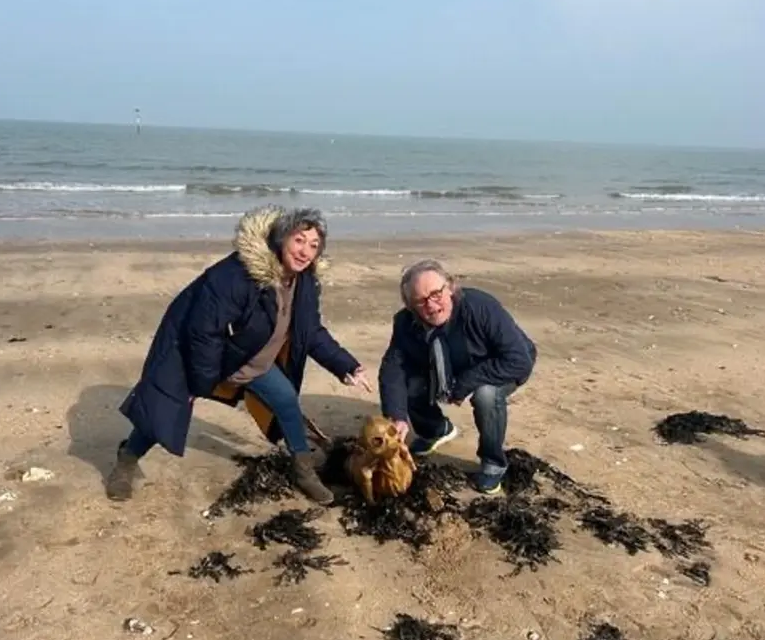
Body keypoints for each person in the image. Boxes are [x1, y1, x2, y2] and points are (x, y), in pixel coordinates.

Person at [106, 204, 373, 503]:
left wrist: (347, 365)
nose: (305, 252)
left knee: (285, 400)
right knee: (166, 412)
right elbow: (202, 332)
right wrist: (199, 384)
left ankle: (302, 470)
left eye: (314, 245)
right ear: (280, 237)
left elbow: (311, 332)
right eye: (299, 240)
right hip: (200, 355)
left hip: (250, 358)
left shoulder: (305, 282)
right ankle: (126, 459)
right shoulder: (235, 275)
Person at [377, 259, 537, 495]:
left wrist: (464, 383)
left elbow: (517, 359)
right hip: (449, 365)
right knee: (411, 385)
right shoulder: (405, 323)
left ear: (450, 287)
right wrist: (397, 417)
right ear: (410, 305)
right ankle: (435, 430)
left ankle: (493, 463)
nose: (431, 306)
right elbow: (393, 370)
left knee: (485, 395)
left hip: (503, 362)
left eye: (436, 294)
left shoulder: (480, 307)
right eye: (420, 301)